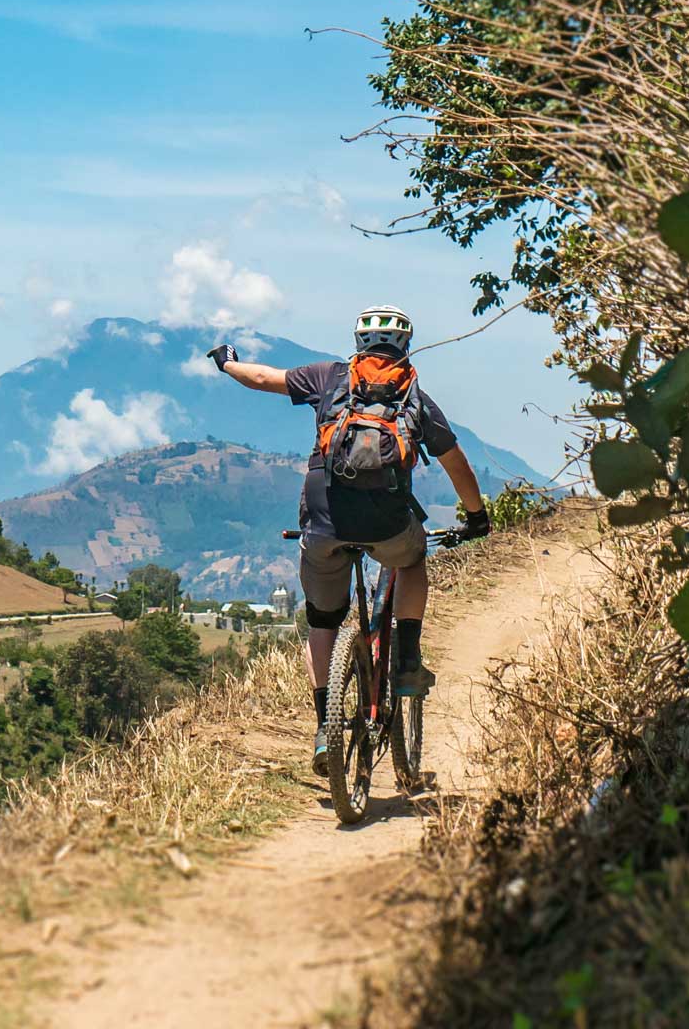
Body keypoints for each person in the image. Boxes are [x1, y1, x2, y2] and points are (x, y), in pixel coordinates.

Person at [206, 305, 490, 777]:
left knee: (322, 623)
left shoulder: (329, 378)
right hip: (388, 527)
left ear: (358, 341)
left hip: (323, 525)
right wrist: (476, 517)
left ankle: (324, 729)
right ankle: (407, 659)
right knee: (412, 559)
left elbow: (259, 378)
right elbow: (455, 463)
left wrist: (227, 360)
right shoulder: (416, 398)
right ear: (405, 345)